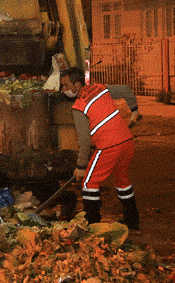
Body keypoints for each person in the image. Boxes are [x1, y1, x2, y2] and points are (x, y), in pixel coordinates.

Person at [60, 67, 140, 230]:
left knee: (89, 182)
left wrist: (81, 166)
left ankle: (92, 223)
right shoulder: (101, 88)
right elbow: (126, 90)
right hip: (126, 142)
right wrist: (135, 111)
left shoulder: (78, 106)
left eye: (66, 85)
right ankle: (132, 220)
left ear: (76, 84)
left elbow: (84, 140)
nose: (64, 90)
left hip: (109, 146)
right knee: (122, 180)